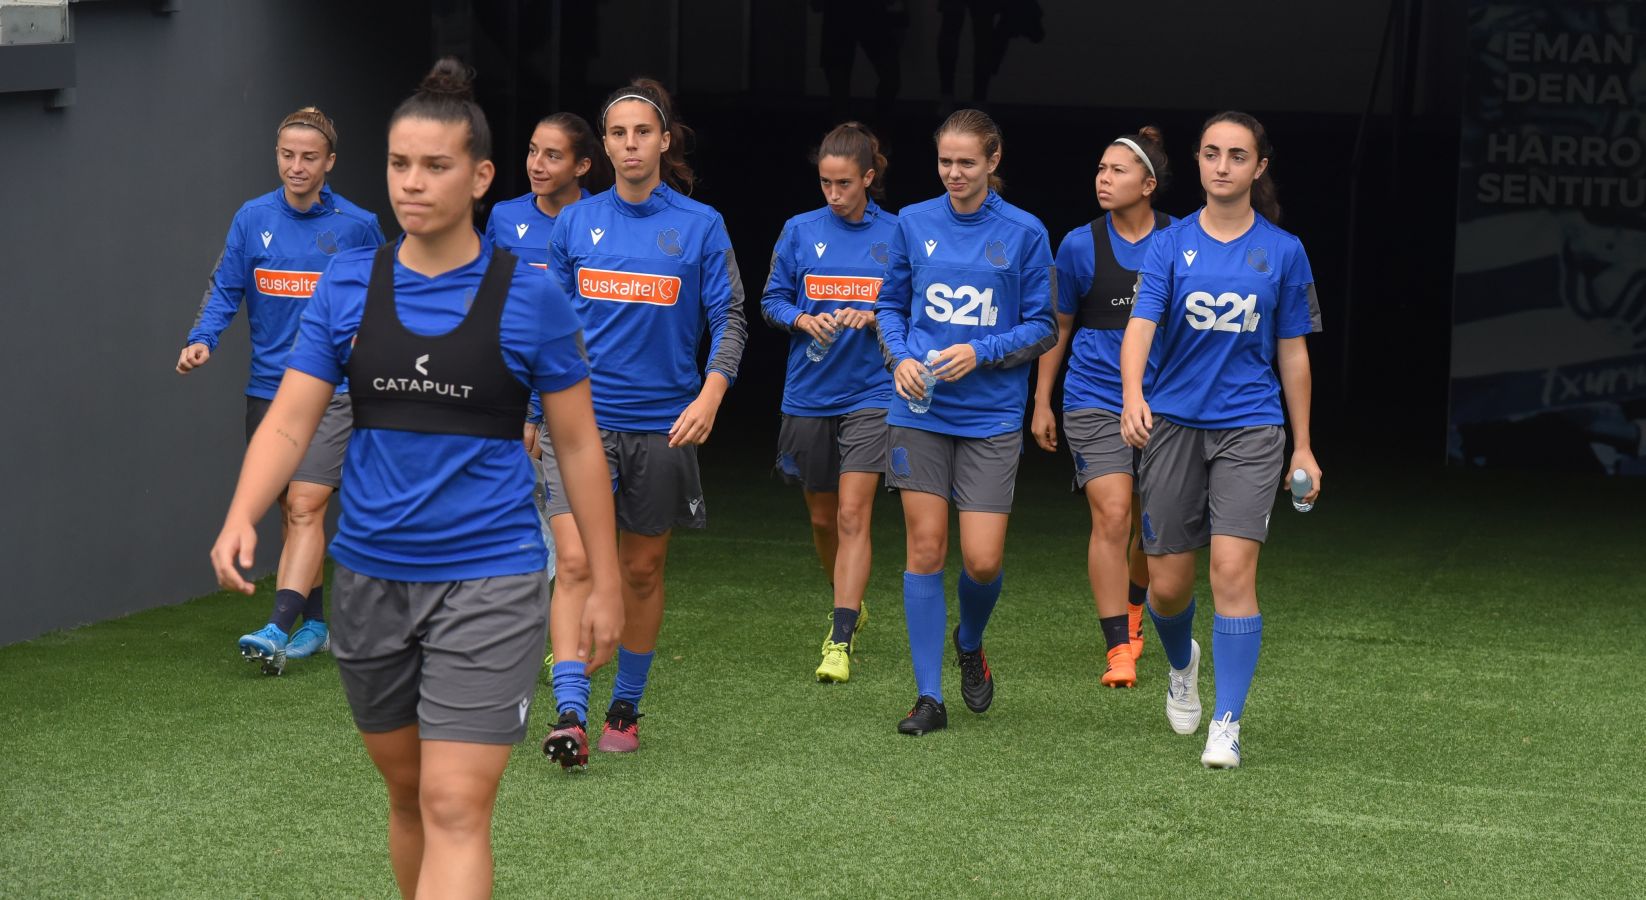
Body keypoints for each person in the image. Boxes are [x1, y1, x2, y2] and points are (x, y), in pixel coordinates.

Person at [209, 59, 622, 896]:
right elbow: (291, 417)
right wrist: (242, 511)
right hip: (367, 576)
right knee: (407, 795)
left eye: (435, 166)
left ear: (480, 177)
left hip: (493, 578)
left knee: (455, 803)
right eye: (400, 164)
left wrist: (602, 579)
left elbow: (578, 448)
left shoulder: (532, 297)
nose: (413, 182)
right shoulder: (349, 283)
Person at [548, 77, 747, 753]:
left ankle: (624, 710)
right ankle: (570, 711)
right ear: (603, 146)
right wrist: (526, 410)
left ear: (665, 140)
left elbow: (731, 318)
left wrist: (710, 395)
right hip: (577, 424)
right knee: (574, 561)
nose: (630, 144)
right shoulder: (574, 222)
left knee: (640, 571)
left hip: (663, 424)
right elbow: (543, 325)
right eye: (617, 133)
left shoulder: (701, 225)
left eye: (642, 132)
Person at [1120, 110, 1323, 769]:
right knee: (1168, 588)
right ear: (1200, 162)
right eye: (1212, 153)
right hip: (1174, 426)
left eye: (1238, 155)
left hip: (1252, 428)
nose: (1223, 165)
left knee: (1232, 572)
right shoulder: (1169, 244)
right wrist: (1132, 398)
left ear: (1258, 167)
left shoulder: (1284, 252)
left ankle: (1227, 724)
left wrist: (1303, 446)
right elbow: (1140, 328)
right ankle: (1183, 665)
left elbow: (1292, 353)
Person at [177, 106, 385, 674]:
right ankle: (316, 621)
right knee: (290, 513)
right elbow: (226, 286)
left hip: (335, 391)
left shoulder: (358, 226)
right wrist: (203, 339)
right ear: (277, 156)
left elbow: (387, 296)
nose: (297, 166)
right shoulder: (252, 218)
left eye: (309, 157)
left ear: (330, 163)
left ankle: (278, 625)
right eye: (287, 155)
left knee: (305, 504)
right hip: (269, 390)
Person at [874, 108, 1055, 735]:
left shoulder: (1026, 232)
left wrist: (981, 351)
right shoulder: (912, 222)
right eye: (945, 162)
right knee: (925, 548)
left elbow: (1043, 326)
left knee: (981, 561)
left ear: (994, 160)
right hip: (918, 409)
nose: (954, 173)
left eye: (967, 162)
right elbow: (890, 304)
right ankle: (929, 698)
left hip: (992, 414)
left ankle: (969, 640)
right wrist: (898, 356)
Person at [481, 111, 610, 766]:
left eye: (552, 155)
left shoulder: (596, 222)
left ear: (582, 166)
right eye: (531, 151)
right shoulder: (504, 219)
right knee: (510, 515)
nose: (537, 163)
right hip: (506, 388)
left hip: (573, 394)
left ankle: (567, 649)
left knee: (579, 550)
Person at [1031, 128, 1174, 689]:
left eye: (1117, 170)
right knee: (1113, 514)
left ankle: (1136, 608)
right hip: (1093, 397)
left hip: (1165, 402)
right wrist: (1041, 401)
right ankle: (1118, 647)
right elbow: (1058, 328)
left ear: (1148, 184)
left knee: (1151, 525)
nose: (1103, 178)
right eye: (1100, 168)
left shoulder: (1180, 239)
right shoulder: (1077, 244)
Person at [759, 122, 898, 683]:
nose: (834, 194)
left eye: (844, 183)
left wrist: (877, 317)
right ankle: (851, 601)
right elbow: (770, 299)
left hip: (873, 392)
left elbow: (912, 307)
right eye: (824, 183)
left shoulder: (900, 233)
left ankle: (839, 636)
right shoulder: (798, 231)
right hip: (810, 392)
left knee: (851, 512)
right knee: (822, 518)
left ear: (868, 177)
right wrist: (801, 318)